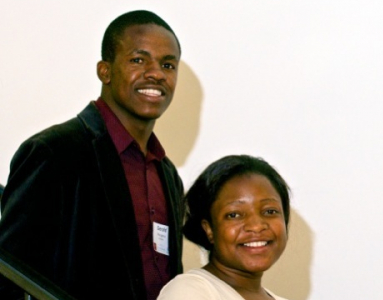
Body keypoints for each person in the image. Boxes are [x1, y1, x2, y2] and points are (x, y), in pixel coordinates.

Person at [0, 10, 184, 300]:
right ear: (105, 71)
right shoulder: (55, 152)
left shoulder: (168, 174)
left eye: (168, 64)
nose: (156, 73)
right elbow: (9, 274)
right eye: (138, 60)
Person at [158, 155, 290, 300]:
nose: (257, 226)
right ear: (209, 229)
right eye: (234, 215)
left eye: (270, 211)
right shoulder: (190, 292)